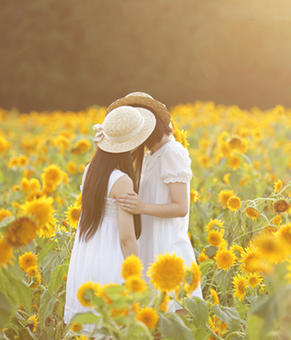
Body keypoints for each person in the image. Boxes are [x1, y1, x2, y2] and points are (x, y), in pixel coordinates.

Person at [109, 93, 203, 311]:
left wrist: (141, 207)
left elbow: (181, 207)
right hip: (149, 243)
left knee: (172, 318)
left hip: (166, 246)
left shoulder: (172, 151)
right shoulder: (151, 154)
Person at [64, 106, 156, 325]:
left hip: (89, 252)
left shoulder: (90, 171)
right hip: (112, 257)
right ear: (132, 146)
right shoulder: (122, 180)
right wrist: (136, 276)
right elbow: (126, 238)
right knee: (115, 325)